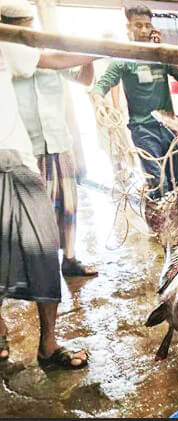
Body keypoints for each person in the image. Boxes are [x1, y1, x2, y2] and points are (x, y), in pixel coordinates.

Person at [0, 0, 97, 369]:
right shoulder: (12, 44)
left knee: (46, 243)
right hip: (24, 151)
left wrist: (91, 53)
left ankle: (48, 344)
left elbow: (60, 64)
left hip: (24, 155)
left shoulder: (15, 48)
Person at [6, 10, 98, 278]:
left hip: (58, 142)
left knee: (68, 206)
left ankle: (69, 259)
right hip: (27, 147)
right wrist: (90, 52)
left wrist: (89, 59)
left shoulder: (52, 54)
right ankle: (35, 268)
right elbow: (54, 61)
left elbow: (84, 79)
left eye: (30, 25)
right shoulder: (10, 56)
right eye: (23, 27)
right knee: (35, 211)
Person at [90, 4, 178, 200]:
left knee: (177, 182)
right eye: (138, 25)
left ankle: (175, 217)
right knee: (159, 184)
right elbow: (100, 85)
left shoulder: (160, 56)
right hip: (143, 130)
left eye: (147, 26)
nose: (143, 30)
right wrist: (99, 101)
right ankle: (160, 216)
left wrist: (165, 51)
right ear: (129, 27)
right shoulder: (122, 60)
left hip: (169, 128)